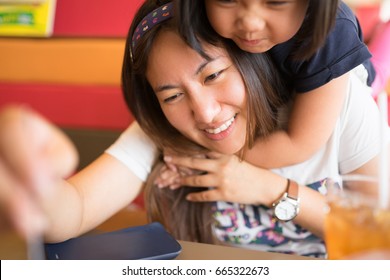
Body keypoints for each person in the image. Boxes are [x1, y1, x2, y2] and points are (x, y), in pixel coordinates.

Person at [0, 0, 383, 258]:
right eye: (171, 96)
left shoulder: (340, 102)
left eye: (213, 75)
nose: (204, 113)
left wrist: (269, 189)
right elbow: (75, 209)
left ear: (252, 58)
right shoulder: (163, 129)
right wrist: (34, 183)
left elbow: (383, 234)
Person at [172, 0, 377, 170]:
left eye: (276, 1)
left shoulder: (331, 35)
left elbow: (298, 144)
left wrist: (205, 151)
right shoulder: (197, 15)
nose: (250, 23)